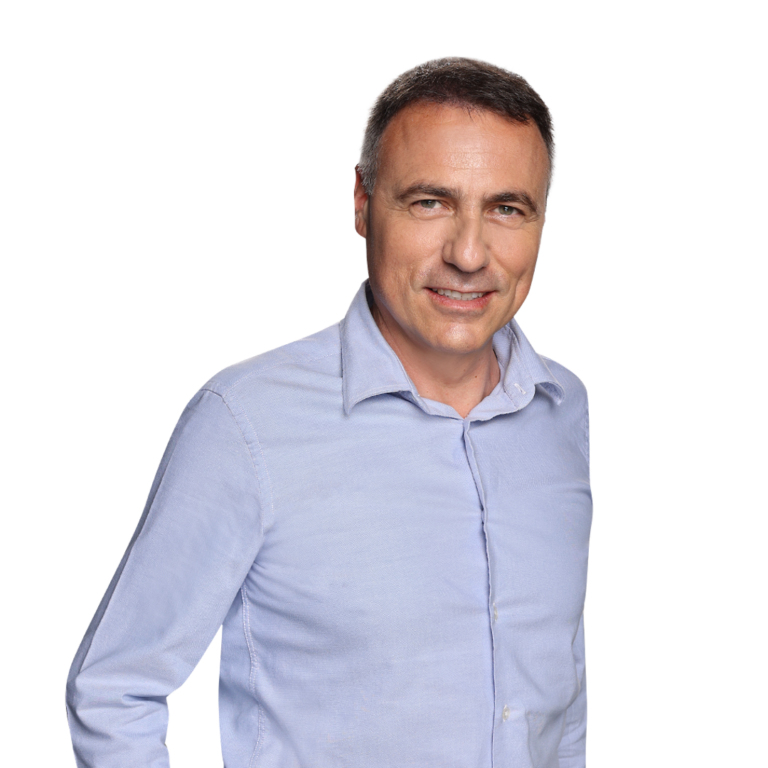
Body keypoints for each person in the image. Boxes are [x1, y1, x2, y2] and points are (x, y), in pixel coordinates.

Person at [65, 55, 591, 767]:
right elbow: (114, 690)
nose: (469, 254)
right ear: (362, 204)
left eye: (506, 208)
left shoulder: (564, 410)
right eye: (430, 202)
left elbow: (557, 699)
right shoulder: (245, 422)